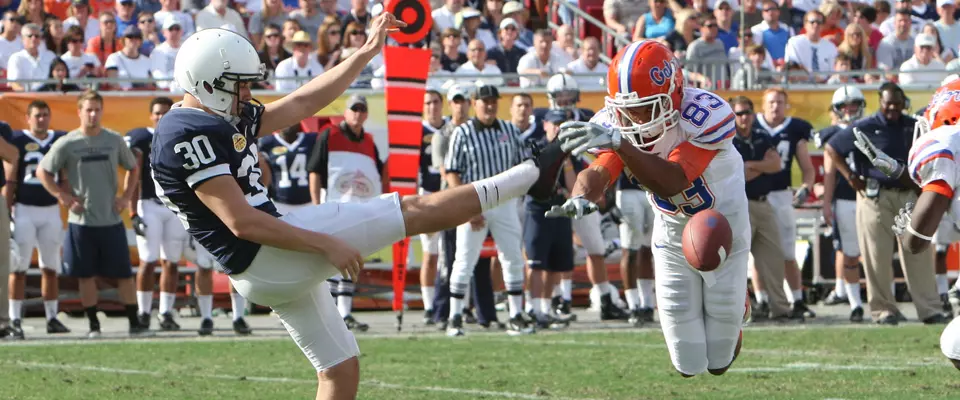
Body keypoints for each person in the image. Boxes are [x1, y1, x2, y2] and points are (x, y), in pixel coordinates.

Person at [155, 15, 561, 397]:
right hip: (266, 253)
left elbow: (300, 104)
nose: (247, 94)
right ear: (207, 82)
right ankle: (532, 174)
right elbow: (241, 221)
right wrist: (323, 244)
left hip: (265, 261)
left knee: (340, 368)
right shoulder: (186, 131)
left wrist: (366, 52)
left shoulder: (214, 114)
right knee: (414, 210)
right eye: (238, 85)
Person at [547, 40, 748, 377]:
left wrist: (621, 144)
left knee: (719, 362)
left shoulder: (704, 116)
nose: (633, 117)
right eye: (626, 109)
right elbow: (600, 170)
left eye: (644, 107)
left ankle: (738, 303)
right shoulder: (621, 124)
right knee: (688, 364)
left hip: (723, 228)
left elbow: (672, 182)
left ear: (674, 91)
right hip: (670, 230)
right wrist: (581, 195)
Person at [825, 82, 946, 326]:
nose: (891, 108)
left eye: (896, 104)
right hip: (875, 196)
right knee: (875, 255)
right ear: (880, 102)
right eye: (887, 103)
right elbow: (832, 148)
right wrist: (850, 176)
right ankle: (883, 309)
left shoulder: (913, 126)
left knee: (918, 251)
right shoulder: (865, 126)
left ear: (904, 104)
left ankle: (929, 309)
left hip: (910, 195)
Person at [37, 90, 146, 338]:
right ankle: (94, 325)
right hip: (81, 222)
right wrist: (62, 196)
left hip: (111, 220)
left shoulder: (114, 140)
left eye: (97, 109)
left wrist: (126, 197)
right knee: (85, 276)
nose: (93, 114)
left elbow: (132, 167)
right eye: (88, 109)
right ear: (79, 112)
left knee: (123, 275)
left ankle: (134, 322)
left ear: (102, 111)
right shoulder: (68, 143)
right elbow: (43, 172)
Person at [443, 84, 535, 337]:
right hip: (474, 200)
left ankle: (516, 314)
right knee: (465, 259)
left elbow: (521, 163)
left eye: (493, 100)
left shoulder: (508, 129)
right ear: (475, 103)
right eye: (485, 101)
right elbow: (452, 172)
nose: (490, 105)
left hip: (504, 199)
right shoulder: (463, 132)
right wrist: (466, 206)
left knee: (512, 256)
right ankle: (455, 316)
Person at [3, 100, 69, 339]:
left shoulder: (59, 139)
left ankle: (52, 317)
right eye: (37, 115)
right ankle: (15, 319)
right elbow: (10, 178)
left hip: (50, 209)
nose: (41, 119)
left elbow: (64, 174)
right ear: (28, 118)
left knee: (50, 267)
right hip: (24, 209)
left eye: (44, 115)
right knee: (18, 268)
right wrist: (7, 208)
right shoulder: (18, 139)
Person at [754, 87, 816, 320]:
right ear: (763, 104)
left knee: (789, 251)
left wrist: (806, 187)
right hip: (754, 195)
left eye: (779, 102)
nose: (775, 106)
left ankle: (797, 299)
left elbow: (808, 168)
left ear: (786, 105)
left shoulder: (794, 129)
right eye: (771, 102)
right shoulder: (752, 126)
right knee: (757, 253)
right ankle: (761, 301)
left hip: (781, 195)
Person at [729, 95, 792, 322]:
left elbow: (776, 165)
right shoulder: (727, 139)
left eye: (747, 112)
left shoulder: (761, 136)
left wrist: (752, 166)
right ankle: (738, 309)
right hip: (738, 206)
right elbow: (737, 175)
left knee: (774, 257)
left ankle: (781, 308)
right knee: (735, 261)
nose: (744, 117)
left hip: (763, 203)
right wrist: (760, 168)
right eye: (739, 113)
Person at [127, 97, 184, 331]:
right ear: (151, 115)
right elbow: (132, 175)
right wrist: (132, 212)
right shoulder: (141, 138)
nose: (161, 117)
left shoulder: (180, 136)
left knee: (171, 262)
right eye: (157, 113)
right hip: (148, 203)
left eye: (165, 113)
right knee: (148, 260)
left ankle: (165, 312)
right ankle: (143, 312)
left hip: (173, 205)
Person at [818, 86, 867, 322]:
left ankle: (879, 300)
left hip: (871, 197)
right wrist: (826, 203)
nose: (849, 110)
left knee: (875, 252)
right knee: (849, 252)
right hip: (845, 197)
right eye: (845, 106)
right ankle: (856, 304)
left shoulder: (870, 127)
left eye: (853, 104)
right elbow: (828, 174)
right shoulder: (830, 134)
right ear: (837, 109)